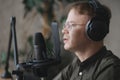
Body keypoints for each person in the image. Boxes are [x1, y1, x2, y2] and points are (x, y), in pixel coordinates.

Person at [54, 0, 120, 80]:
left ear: (94, 29)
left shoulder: (110, 67)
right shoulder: (76, 65)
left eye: (71, 25)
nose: (63, 31)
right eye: (65, 25)